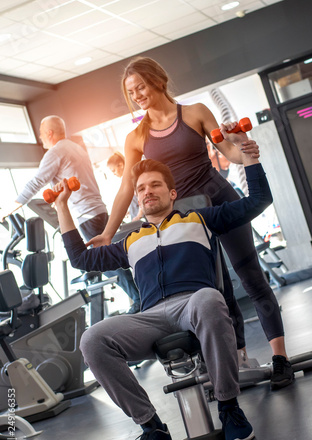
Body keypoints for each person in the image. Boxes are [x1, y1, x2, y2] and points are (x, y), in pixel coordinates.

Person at [54, 138, 272, 440]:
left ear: (172, 194)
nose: (147, 191)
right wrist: (62, 207)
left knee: (210, 298)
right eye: (141, 188)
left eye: (155, 185)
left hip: (194, 304)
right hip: (150, 317)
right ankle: (153, 429)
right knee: (92, 339)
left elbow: (258, 200)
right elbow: (80, 258)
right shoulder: (129, 239)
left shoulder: (200, 219)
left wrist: (251, 161)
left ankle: (228, 406)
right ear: (137, 198)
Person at [88, 57, 294, 390]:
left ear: (158, 80)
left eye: (140, 85)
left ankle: (280, 357)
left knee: (250, 275)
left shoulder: (195, 112)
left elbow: (227, 148)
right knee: (214, 290)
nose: (137, 94)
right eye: (130, 91)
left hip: (220, 199)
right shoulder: (136, 136)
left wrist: (246, 151)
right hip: (185, 217)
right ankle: (234, 361)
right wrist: (108, 233)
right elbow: (127, 185)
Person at [0, 115, 140, 314]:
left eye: (41, 134)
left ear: (49, 133)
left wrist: (7, 209)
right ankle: (139, 297)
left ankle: (138, 299)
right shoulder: (76, 148)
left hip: (86, 214)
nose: (40, 138)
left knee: (105, 262)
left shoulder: (56, 152)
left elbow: (35, 183)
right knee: (109, 258)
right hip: (98, 210)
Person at [106, 152, 143, 221]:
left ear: (121, 165)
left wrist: (139, 216)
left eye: (113, 170)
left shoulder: (131, 179)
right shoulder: (126, 180)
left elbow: (142, 197)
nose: (113, 174)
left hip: (141, 219)